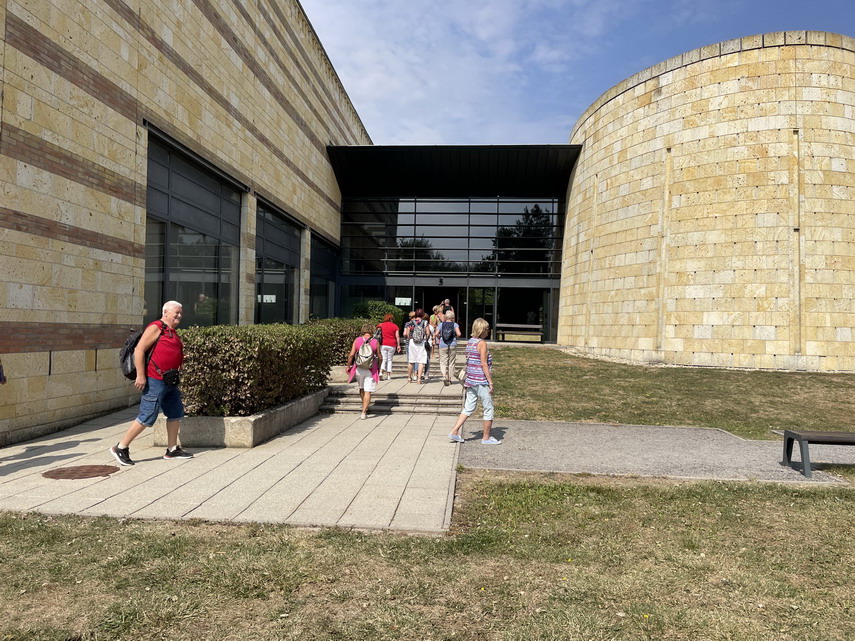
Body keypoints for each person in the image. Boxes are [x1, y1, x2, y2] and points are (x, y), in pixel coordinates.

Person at [110, 301, 193, 466]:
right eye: (176, 312)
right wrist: (141, 376)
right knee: (147, 415)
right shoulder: (157, 327)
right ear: (165, 312)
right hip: (155, 379)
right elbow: (139, 350)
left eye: (180, 313)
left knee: (175, 413)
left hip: (170, 380)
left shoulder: (171, 331)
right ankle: (121, 447)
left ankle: (172, 449)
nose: (179, 315)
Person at [447, 317, 501, 445]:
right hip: (481, 381)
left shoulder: (470, 342)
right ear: (482, 330)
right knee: (488, 408)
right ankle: (486, 438)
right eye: (486, 329)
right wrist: (490, 382)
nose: (488, 331)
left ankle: (454, 431)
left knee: (468, 408)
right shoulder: (482, 343)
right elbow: (483, 364)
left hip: (470, 380)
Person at [346, 323, 380, 419]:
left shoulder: (357, 340)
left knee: (362, 388)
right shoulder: (375, 342)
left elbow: (351, 355)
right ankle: (364, 412)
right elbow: (379, 356)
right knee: (368, 391)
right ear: (372, 331)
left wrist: (348, 366)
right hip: (371, 369)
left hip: (359, 368)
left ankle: (364, 404)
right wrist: (379, 366)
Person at [436, 309, 462, 386]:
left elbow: (436, 333)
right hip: (452, 344)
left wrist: (440, 337)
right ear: (452, 317)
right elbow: (459, 334)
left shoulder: (441, 324)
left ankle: (444, 376)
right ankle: (449, 379)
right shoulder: (455, 325)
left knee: (443, 362)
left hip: (443, 344)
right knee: (451, 362)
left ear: (445, 317)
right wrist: (455, 337)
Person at [404, 309, 429, 384]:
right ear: (423, 314)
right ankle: (418, 379)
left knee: (411, 361)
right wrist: (426, 339)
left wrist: (409, 338)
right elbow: (428, 333)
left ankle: (409, 378)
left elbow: (407, 333)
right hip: (421, 343)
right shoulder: (425, 322)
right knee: (421, 361)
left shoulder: (411, 322)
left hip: (412, 342)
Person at [376, 313, 401, 380]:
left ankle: (381, 372)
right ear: (391, 319)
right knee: (390, 359)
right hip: (392, 344)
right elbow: (397, 336)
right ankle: (389, 375)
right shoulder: (395, 326)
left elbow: (377, 329)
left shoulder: (381, 325)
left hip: (383, 343)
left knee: (384, 359)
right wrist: (398, 345)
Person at [403, 310, 417, 382]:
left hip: (409, 342)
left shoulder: (408, 324)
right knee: (417, 359)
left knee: (410, 359)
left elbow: (405, 333)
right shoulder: (419, 323)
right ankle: (415, 374)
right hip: (417, 342)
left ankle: (409, 376)